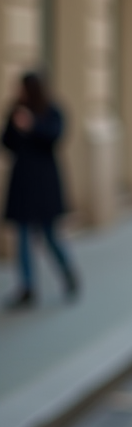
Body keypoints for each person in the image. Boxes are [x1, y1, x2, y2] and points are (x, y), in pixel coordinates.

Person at [3, 72, 77, 309]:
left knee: (50, 236)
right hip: (23, 183)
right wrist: (16, 127)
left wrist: (32, 126)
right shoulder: (17, 110)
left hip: (44, 184)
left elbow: (54, 137)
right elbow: (6, 142)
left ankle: (67, 272)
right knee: (22, 238)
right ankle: (27, 288)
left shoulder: (51, 110)